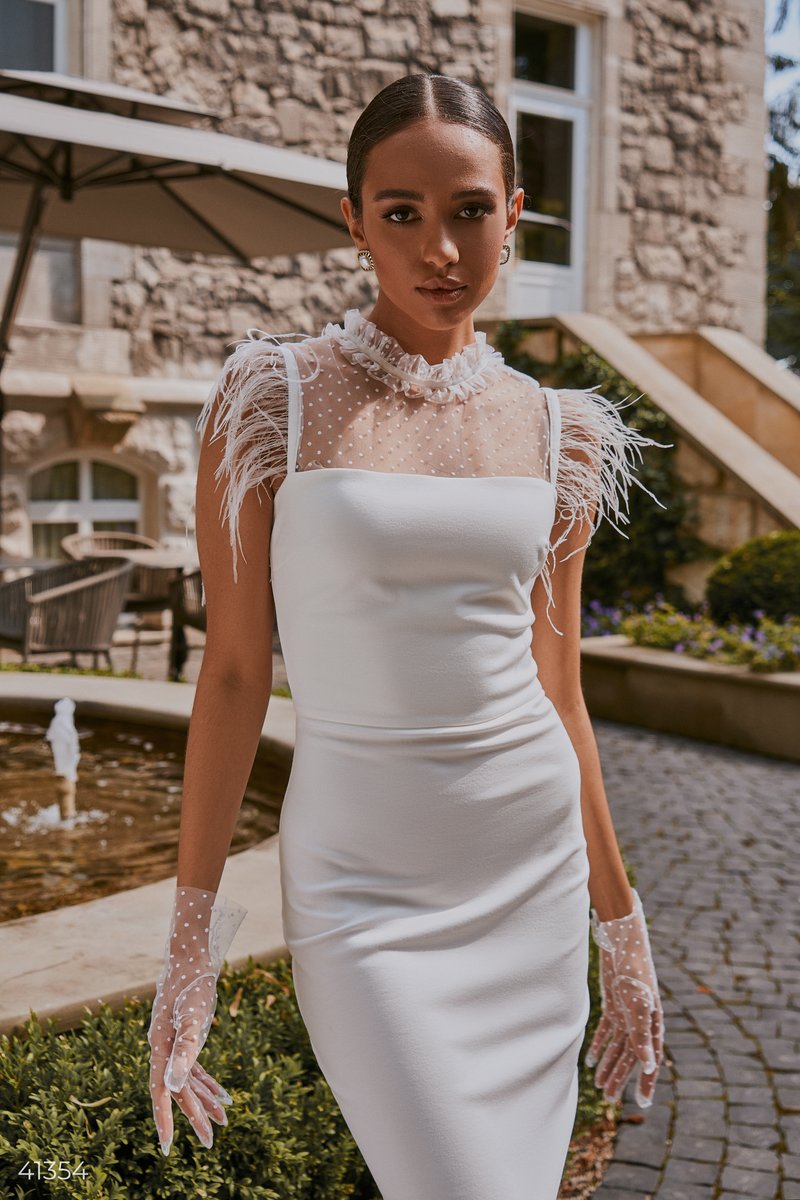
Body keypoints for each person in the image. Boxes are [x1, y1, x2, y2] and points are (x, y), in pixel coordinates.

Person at [147, 72, 667, 1199]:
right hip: (363, 891)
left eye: (469, 211)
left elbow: (559, 688)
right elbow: (233, 676)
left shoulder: (557, 430)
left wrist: (619, 928)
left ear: (513, 212)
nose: (440, 249)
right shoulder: (270, 397)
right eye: (402, 214)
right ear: (353, 220)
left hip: (526, 876)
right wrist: (190, 946)